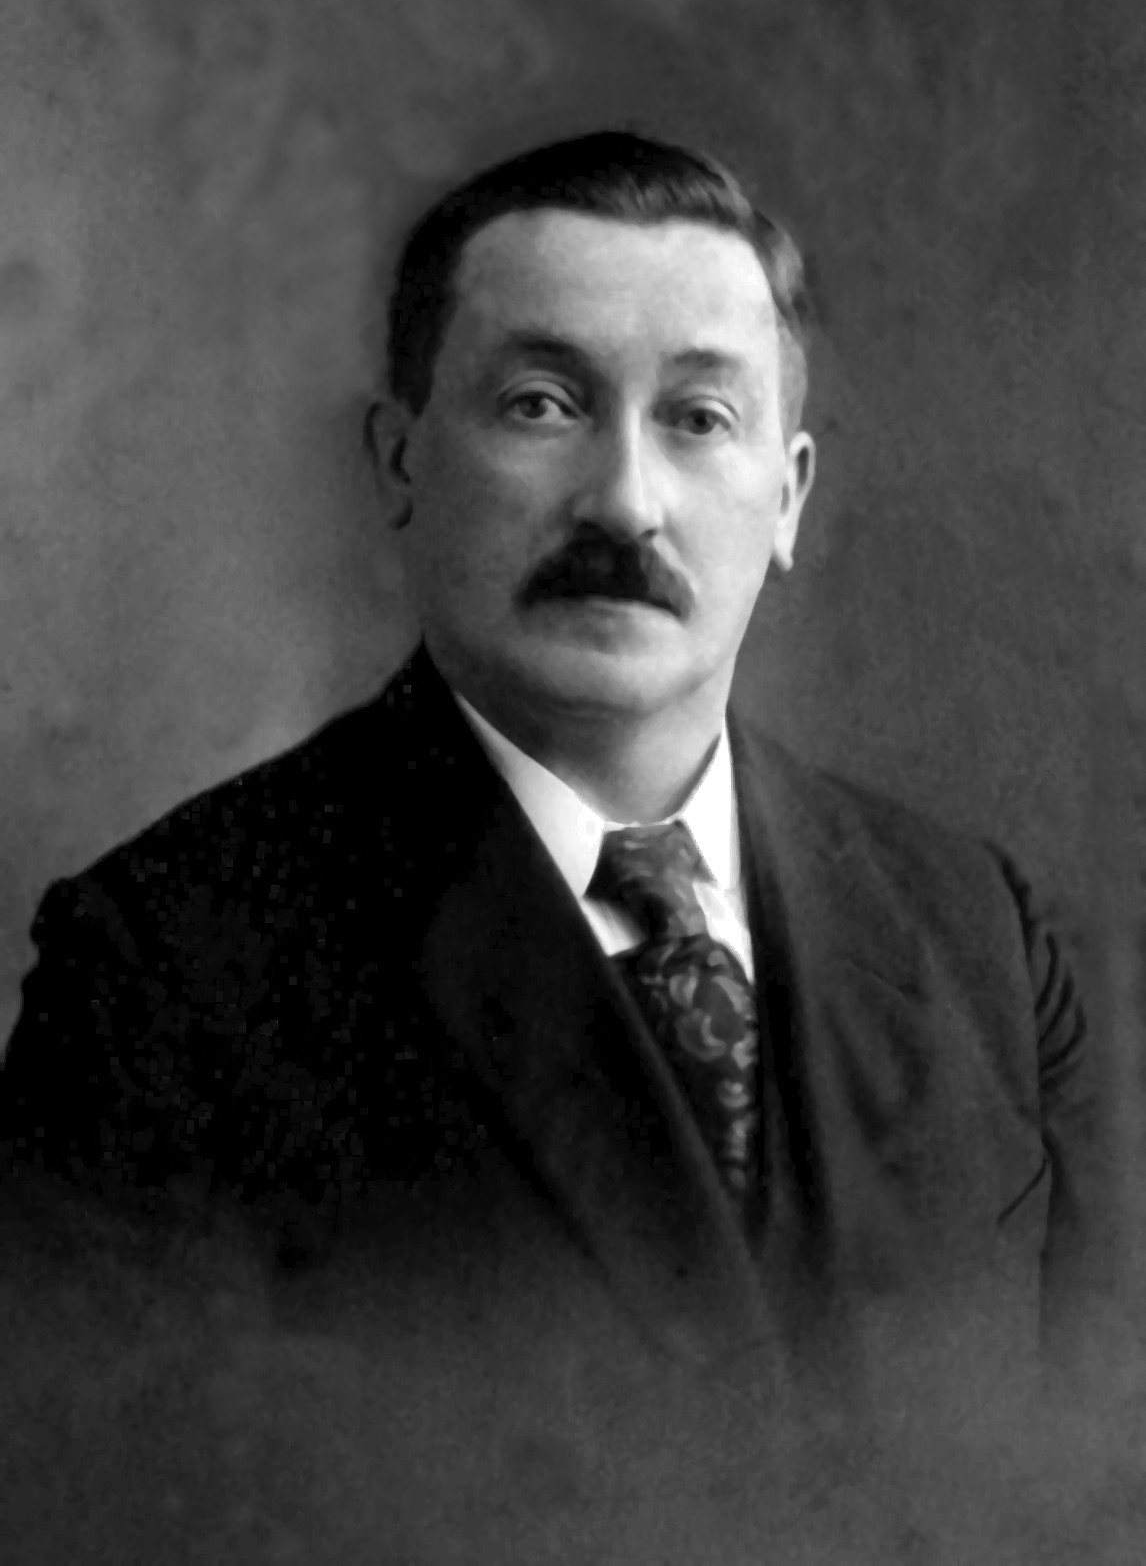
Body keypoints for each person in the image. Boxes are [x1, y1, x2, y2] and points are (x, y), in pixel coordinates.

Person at [0, 131, 1095, 1545]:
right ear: (401, 460)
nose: (624, 500)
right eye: (540, 404)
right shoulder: (167, 962)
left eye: (698, 417)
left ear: (788, 497)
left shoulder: (979, 935)